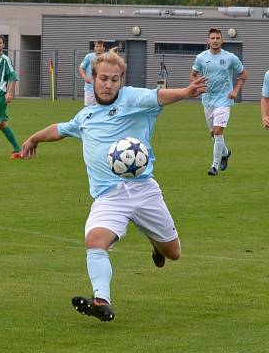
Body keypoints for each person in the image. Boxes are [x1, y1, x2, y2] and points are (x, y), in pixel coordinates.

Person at [21, 51, 206, 322]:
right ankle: (101, 300)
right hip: (109, 196)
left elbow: (158, 96)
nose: (109, 84)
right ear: (93, 80)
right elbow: (60, 129)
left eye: (114, 79)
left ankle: (156, 245)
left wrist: (186, 92)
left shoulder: (132, 98)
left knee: (173, 253)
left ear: (121, 81)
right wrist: (33, 138)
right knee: (95, 240)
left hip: (143, 190)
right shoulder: (86, 116)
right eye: (104, 78)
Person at [190, 28, 247, 176]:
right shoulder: (201, 57)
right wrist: (198, 87)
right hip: (208, 100)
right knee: (213, 134)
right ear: (208, 40)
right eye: (212, 38)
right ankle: (226, 153)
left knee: (217, 131)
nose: (215, 40)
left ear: (222, 40)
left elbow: (243, 75)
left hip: (224, 100)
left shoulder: (230, 58)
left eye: (218, 38)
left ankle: (214, 167)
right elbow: (193, 75)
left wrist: (235, 91)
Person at [78, 40, 106, 106]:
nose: (98, 48)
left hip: (102, 89)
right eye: (97, 46)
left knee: (100, 109)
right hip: (90, 88)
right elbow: (81, 68)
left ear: (103, 48)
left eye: (100, 46)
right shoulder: (89, 57)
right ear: (94, 48)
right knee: (88, 109)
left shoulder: (106, 57)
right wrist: (85, 77)